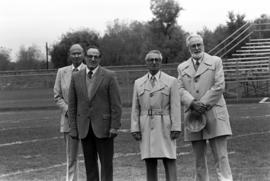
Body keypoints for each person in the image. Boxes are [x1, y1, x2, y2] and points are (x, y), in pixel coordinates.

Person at [177, 34, 233, 181]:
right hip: (193, 118)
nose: (196, 48)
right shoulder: (182, 67)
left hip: (214, 114)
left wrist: (202, 104)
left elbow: (219, 86)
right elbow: (179, 89)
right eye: (193, 45)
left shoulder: (216, 61)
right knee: (198, 161)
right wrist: (192, 103)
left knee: (221, 157)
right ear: (188, 48)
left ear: (203, 45)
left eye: (199, 44)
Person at [68, 45, 122, 181]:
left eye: (96, 56)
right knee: (89, 165)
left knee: (106, 165)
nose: (93, 59)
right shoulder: (76, 77)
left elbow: (116, 104)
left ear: (100, 59)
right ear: (85, 57)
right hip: (85, 128)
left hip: (104, 128)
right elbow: (72, 106)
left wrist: (114, 126)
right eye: (90, 56)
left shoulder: (109, 76)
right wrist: (74, 129)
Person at [131, 50, 181, 181]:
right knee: (149, 160)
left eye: (156, 60)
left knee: (169, 158)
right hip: (146, 125)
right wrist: (135, 127)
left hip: (165, 124)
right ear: (146, 63)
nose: (154, 62)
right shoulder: (138, 82)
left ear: (161, 62)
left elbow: (175, 106)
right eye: (151, 60)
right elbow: (135, 107)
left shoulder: (171, 81)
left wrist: (176, 126)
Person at [54, 44, 86, 181]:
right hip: (68, 120)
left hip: (87, 120)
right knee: (71, 157)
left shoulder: (90, 70)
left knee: (91, 155)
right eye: (74, 53)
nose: (76, 56)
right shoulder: (62, 72)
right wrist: (69, 110)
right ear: (69, 55)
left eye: (79, 53)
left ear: (83, 54)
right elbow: (57, 95)